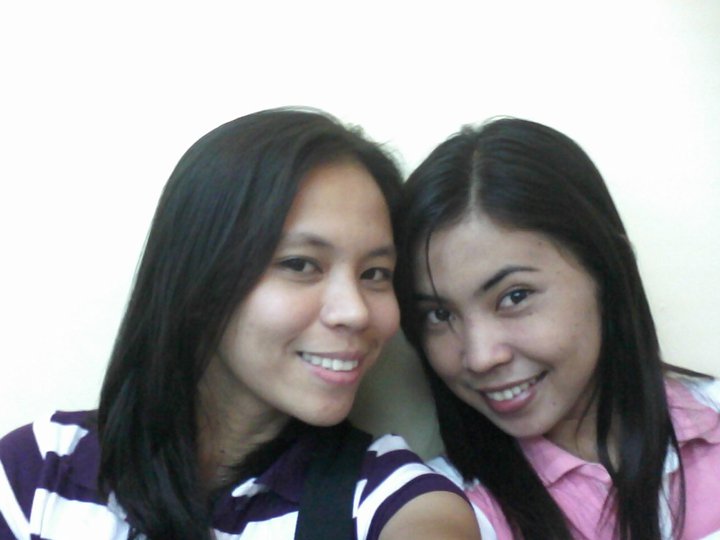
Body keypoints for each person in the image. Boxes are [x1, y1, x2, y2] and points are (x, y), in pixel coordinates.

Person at [0, 108, 480, 540]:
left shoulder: (394, 499)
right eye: (300, 264)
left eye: (375, 273)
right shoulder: (36, 472)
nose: (355, 311)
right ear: (199, 280)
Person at [394, 117, 720, 539]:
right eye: (440, 315)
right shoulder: (446, 509)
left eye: (515, 296)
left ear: (606, 270)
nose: (480, 356)